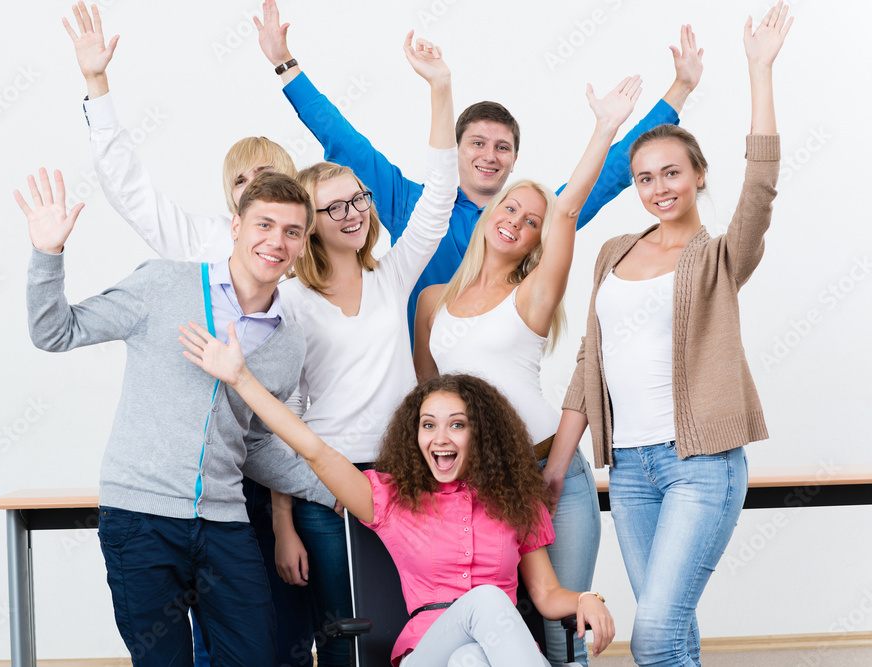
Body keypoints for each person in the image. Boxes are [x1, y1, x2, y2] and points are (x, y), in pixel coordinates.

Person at [62, 4, 307, 662]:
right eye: (242, 183)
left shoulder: (298, 280)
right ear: (233, 203)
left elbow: (287, 418)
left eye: (269, 179)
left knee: (268, 641)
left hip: (255, 478)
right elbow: (128, 185)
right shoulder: (195, 252)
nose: (256, 192)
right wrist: (98, 86)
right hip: (185, 488)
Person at [15, 167, 335, 667]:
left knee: (256, 657)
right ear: (236, 227)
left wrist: (334, 490)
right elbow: (55, 331)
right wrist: (47, 253)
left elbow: (254, 444)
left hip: (224, 524)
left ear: (302, 244)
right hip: (140, 521)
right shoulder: (164, 284)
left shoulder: (287, 341)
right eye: (264, 225)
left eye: (292, 231)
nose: (277, 241)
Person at [552, 4, 792, 665]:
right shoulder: (613, 253)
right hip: (629, 471)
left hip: (700, 465)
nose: (659, 187)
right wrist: (555, 463)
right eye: (645, 177)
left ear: (698, 176)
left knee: (653, 634)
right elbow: (586, 363)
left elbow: (762, 188)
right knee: (675, 635)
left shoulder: (719, 255)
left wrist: (759, 71)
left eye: (672, 173)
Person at [179, 319, 617, 667]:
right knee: (483, 599)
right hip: (425, 653)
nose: (440, 437)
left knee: (470, 659)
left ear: (482, 434)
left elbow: (545, 595)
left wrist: (586, 598)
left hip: (489, 653)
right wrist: (240, 378)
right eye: (428, 424)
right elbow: (314, 452)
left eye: (457, 424)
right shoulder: (391, 499)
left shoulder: (515, 501)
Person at [254, 0, 704, 334]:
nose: (489, 155)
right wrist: (283, 63)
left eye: (502, 148)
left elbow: (609, 174)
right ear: (454, 149)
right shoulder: (412, 205)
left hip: (497, 384)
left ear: (513, 161)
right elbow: (342, 139)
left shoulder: (532, 221)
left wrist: (680, 90)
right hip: (422, 390)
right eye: (478, 143)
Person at [414, 63, 645, 666]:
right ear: (489, 214)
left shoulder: (533, 296)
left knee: (562, 637)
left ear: (538, 241)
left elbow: (568, 211)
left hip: (550, 474)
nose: (514, 222)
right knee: (489, 626)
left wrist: (603, 130)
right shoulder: (433, 302)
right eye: (509, 209)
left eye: (530, 221)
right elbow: (427, 405)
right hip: (480, 483)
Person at [262, 32, 458, 667]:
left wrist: (439, 89)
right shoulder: (290, 300)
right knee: (347, 636)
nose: (351, 213)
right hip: (328, 486)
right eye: (333, 207)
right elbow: (281, 413)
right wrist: (283, 521)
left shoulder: (392, 276)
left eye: (358, 200)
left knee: (407, 627)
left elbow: (438, 198)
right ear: (309, 223)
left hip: (406, 476)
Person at [63, 1, 297, 262]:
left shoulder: (320, 241)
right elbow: (130, 192)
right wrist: (96, 81)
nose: (253, 185)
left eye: (264, 174)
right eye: (239, 181)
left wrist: (285, 62)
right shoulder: (210, 241)